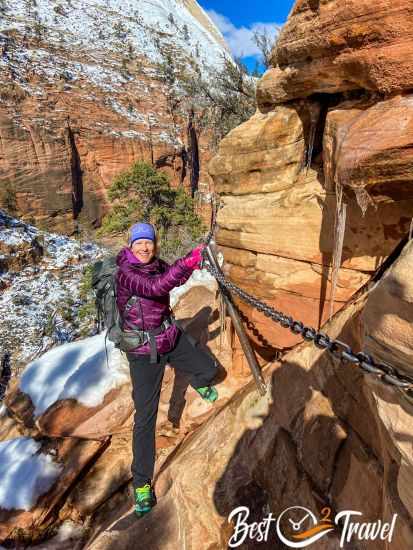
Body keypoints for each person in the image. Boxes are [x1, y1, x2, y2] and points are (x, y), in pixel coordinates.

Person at [116, 222, 219, 517]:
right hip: (143, 352)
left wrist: (190, 261)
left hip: (168, 337)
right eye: (139, 243)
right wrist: (187, 262)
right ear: (130, 245)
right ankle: (142, 484)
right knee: (145, 419)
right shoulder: (126, 273)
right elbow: (155, 287)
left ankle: (199, 381)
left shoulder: (156, 264)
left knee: (208, 369)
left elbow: (170, 275)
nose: (145, 247)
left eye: (148, 242)